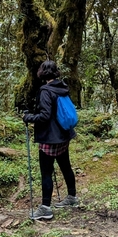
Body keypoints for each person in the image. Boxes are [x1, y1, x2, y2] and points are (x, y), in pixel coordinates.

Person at [23, 60, 79, 220]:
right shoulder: (62, 87)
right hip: (64, 135)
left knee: (46, 172)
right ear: (55, 72)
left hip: (50, 138)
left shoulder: (45, 90)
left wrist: (28, 117)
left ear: (42, 72)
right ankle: (72, 197)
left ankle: (45, 208)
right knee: (66, 166)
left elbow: (45, 116)